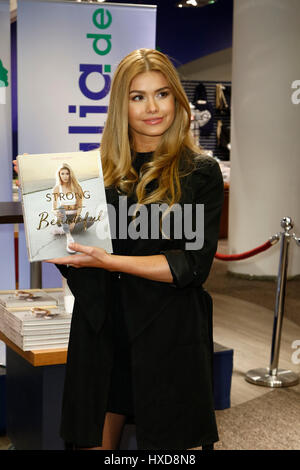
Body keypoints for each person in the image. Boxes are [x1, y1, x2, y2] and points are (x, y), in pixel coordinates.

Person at [46, 48, 224, 450]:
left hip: (168, 332)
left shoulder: (199, 172)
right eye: (137, 96)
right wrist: (46, 201)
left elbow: (191, 266)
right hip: (103, 330)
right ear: (120, 106)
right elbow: (79, 259)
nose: (152, 108)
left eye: (161, 94)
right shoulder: (96, 174)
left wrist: (110, 261)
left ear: (177, 100)